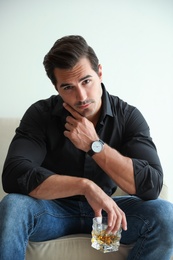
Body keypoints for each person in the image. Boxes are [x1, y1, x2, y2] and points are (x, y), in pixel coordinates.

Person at [0, 35, 173, 260]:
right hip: (52, 211)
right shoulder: (40, 115)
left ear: (99, 72)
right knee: (13, 207)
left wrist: (94, 146)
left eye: (86, 81)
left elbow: (151, 185)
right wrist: (85, 187)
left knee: (165, 214)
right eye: (68, 87)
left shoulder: (128, 116)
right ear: (56, 87)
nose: (81, 96)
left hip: (109, 213)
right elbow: (14, 175)